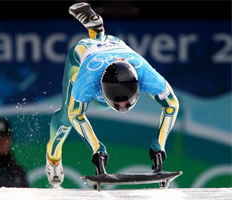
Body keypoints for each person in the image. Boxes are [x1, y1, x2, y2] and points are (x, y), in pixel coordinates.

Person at [46, 2, 179, 188]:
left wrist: (160, 144)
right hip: (81, 56)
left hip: (113, 47)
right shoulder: (86, 83)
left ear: (138, 85)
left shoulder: (147, 76)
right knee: (66, 119)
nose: (123, 106)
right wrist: (96, 148)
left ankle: (97, 31)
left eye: (126, 101)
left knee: (99, 104)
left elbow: (173, 104)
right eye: (118, 100)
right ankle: (53, 158)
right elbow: (76, 115)